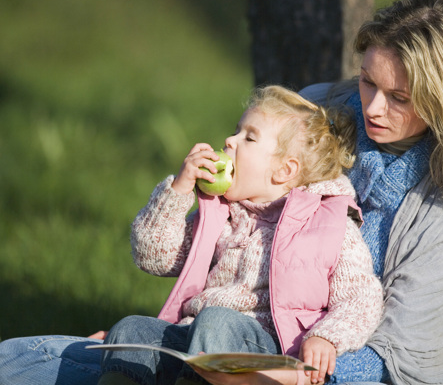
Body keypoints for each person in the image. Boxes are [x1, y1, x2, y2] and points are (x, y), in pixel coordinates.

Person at [0, 0, 443, 385]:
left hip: (285, 363)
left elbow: (400, 356)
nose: (374, 108)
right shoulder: (319, 115)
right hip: (200, 343)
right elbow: (174, 248)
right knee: (19, 361)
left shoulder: (441, 214)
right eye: (368, 82)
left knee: (216, 331)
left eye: (399, 97)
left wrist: (299, 371)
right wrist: (134, 344)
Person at [98, 84, 383, 385]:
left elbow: (361, 298)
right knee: (130, 333)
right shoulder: (222, 215)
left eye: (248, 137)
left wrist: (327, 337)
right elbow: (154, 256)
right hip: (195, 336)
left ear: (284, 171)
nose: (229, 141)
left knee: (216, 321)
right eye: (236, 131)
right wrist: (179, 190)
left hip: (266, 349)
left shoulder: (328, 226)